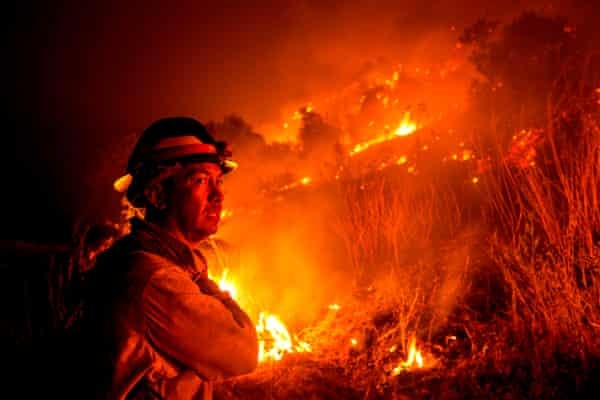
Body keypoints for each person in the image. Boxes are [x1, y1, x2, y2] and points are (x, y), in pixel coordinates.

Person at [70, 117, 258, 399]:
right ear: (157, 195)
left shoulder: (150, 262)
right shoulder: (155, 280)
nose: (218, 194)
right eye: (200, 180)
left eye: (218, 181)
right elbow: (243, 354)